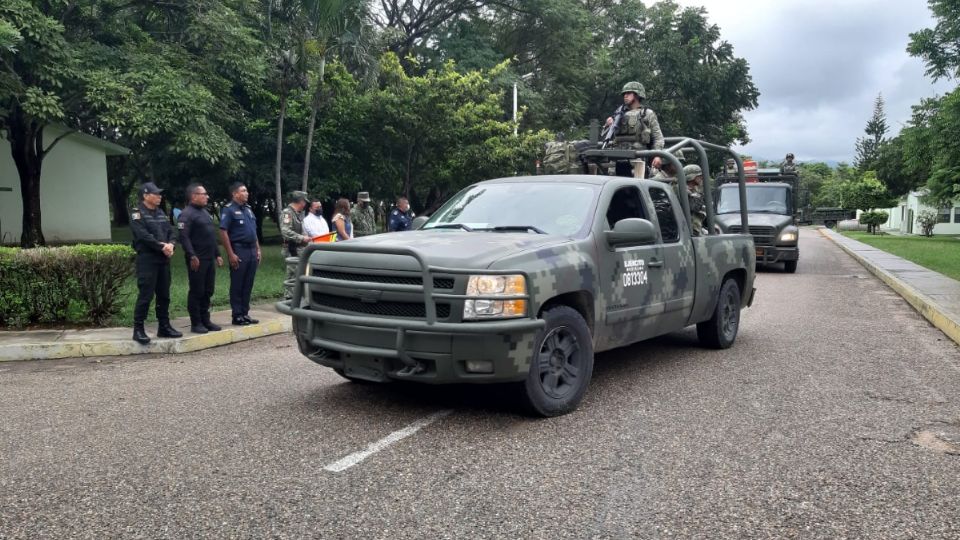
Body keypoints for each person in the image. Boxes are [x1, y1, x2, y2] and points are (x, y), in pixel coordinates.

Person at [129, 182, 182, 344]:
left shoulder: (160, 212)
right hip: (147, 259)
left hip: (163, 259)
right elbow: (142, 235)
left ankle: (164, 326)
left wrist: (171, 244)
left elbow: (171, 231)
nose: (159, 196)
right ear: (145, 196)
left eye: (160, 194)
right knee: (146, 295)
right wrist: (162, 246)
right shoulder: (137, 213)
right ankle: (138, 329)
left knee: (164, 294)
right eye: (156, 194)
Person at [177, 183, 223, 334]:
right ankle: (196, 322)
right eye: (204, 194)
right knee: (197, 290)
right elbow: (184, 238)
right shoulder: (186, 214)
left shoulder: (205, 212)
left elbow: (210, 236)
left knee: (208, 290)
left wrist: (217, 254)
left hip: (209, 258)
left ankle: (206, 319)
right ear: (194, 196)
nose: (207, 196)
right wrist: (192, 255)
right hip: (197, 259)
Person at [219, 182, 261, 326]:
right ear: (235, 194)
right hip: (239, 249)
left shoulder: (248, 210)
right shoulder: (228, 210)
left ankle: (245, 313)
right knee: (238, 283)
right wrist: (230, 254)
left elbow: (253, 232)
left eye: (247, 191)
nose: (247, 193)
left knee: (248, 283)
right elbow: (223, 232)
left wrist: (258, 250)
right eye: (243, 191)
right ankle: (237, 315)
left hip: (251, 249)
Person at [604, 81, 665, 176]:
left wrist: (657, 155)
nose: (625, 96)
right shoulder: (618, 115)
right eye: (624, 94)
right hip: (616, 162)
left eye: (628, 93)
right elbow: (609, 137)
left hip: (637, 161)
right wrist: (609, 124)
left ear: (637, 94)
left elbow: (658, 138)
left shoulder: (647, 114)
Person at [280, 191, 310, 299]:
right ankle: (289, 299)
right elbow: (285, 231)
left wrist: (305, 236)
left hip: (298, 248)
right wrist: (301, 238)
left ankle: (295, 297)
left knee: (297, 273)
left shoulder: (297, 214)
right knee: (292, 274)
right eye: (304, 202)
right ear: (301, 201)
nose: (305, 204)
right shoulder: (287, 213)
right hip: (291, 248)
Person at [683, 164, 707, 236]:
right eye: (698, 175)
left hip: (697, 227)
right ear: (692, 177)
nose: (701, 177)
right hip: (690, 230)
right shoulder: (684, 190)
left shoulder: (695, 189)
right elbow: (693, 207)